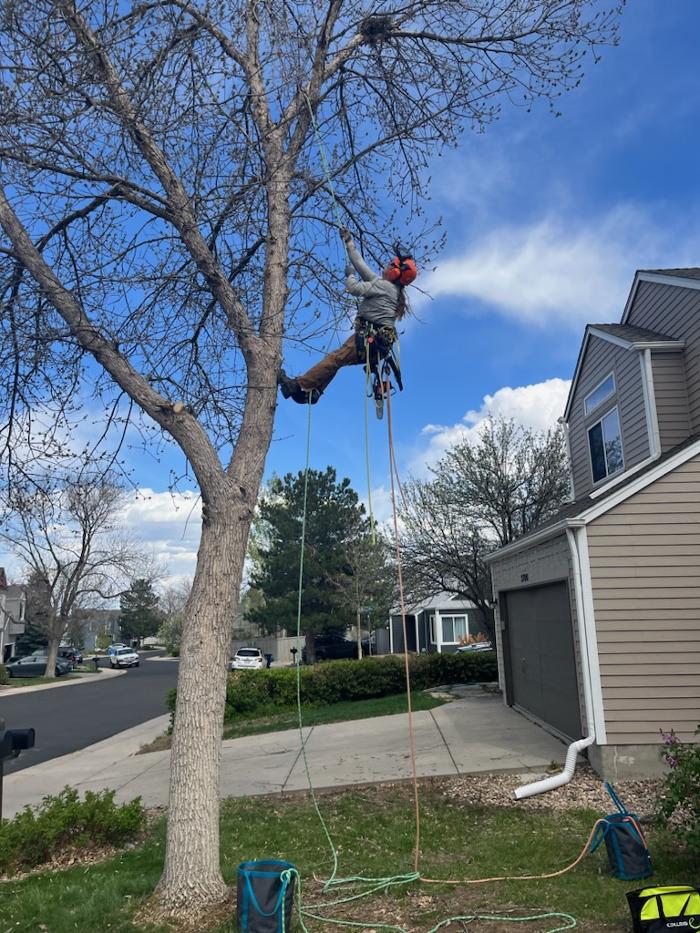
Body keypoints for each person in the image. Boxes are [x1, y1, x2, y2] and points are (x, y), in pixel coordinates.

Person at [277, 228, 417, 404]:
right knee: (337, 360)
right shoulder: (387, 287)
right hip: (373, 342)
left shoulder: (386, 287)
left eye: (391, 264)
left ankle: (298, 386)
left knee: (334, 359)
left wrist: (350, 275)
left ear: (395, 272)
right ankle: (315, 391)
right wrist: (349, 242)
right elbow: (361, 264)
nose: (387, 265)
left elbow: (354, 289)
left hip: (369, 340)